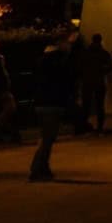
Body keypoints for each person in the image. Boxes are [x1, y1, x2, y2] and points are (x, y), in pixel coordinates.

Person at [28, 30, 75, 182]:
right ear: (60, 44)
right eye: (67, 43)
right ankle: (37, 168)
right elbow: (66, 80)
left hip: (42, 101)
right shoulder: (59, 60)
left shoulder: (42, 59)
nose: (69, 46)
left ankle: (43, 167)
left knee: (46, 136)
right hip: (53, 102)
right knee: (48, 137)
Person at [78, 32, 112, 136]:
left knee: (86, 104)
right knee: (100, 105)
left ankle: (83, 126)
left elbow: (79, 66)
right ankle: (100, 128)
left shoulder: (85, 53)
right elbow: (109, 66)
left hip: (87, 81)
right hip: (99, 81)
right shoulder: (104, 53)